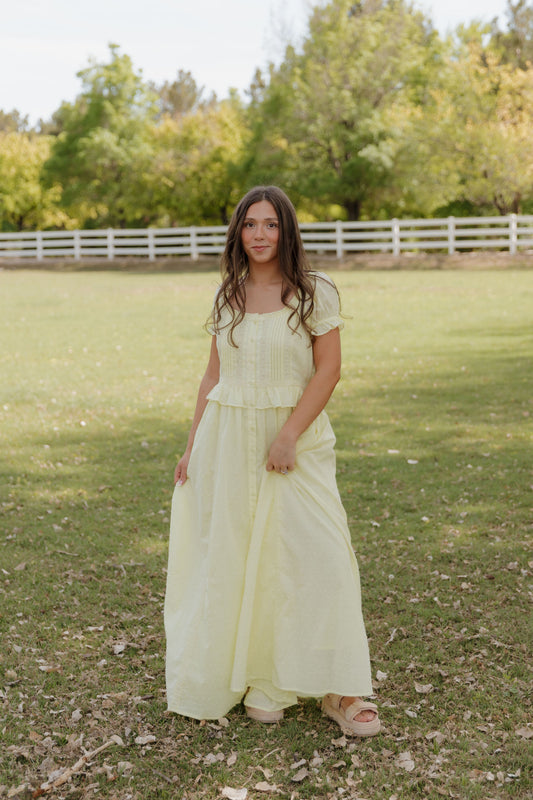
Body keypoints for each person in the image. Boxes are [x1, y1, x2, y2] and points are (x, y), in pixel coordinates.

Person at [164, 186, 380, 736]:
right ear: (238, 232)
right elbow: (213, 377)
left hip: (295, 442)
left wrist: (288, 435)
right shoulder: (227, 295)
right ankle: (264, 679)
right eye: (250, 224)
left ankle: (342, 688)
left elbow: (329, 369)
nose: (259, 234)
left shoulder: (314, 291)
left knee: (321, 552)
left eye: (271, 224)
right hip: (228, 440)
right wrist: (191, 446)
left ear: (287, 231)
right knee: (242, 557)